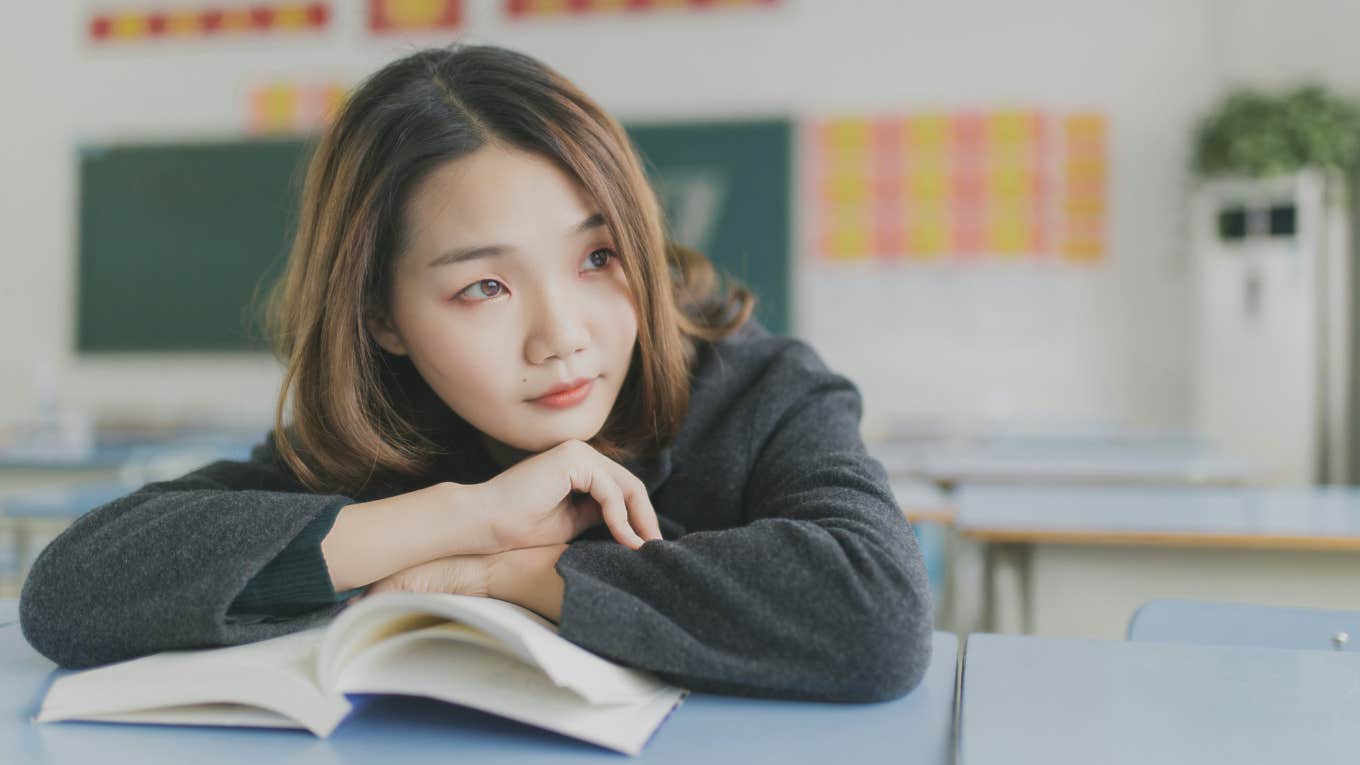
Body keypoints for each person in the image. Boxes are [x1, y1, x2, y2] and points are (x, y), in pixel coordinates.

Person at [19, 44, 932, 702]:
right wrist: (462, 516)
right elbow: (72, 591)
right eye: (485, 286)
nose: (562, 337)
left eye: (598, 256)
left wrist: (510, 574)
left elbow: (877, 615)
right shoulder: (391, 434)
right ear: (382, 316)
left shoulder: (758, 391)